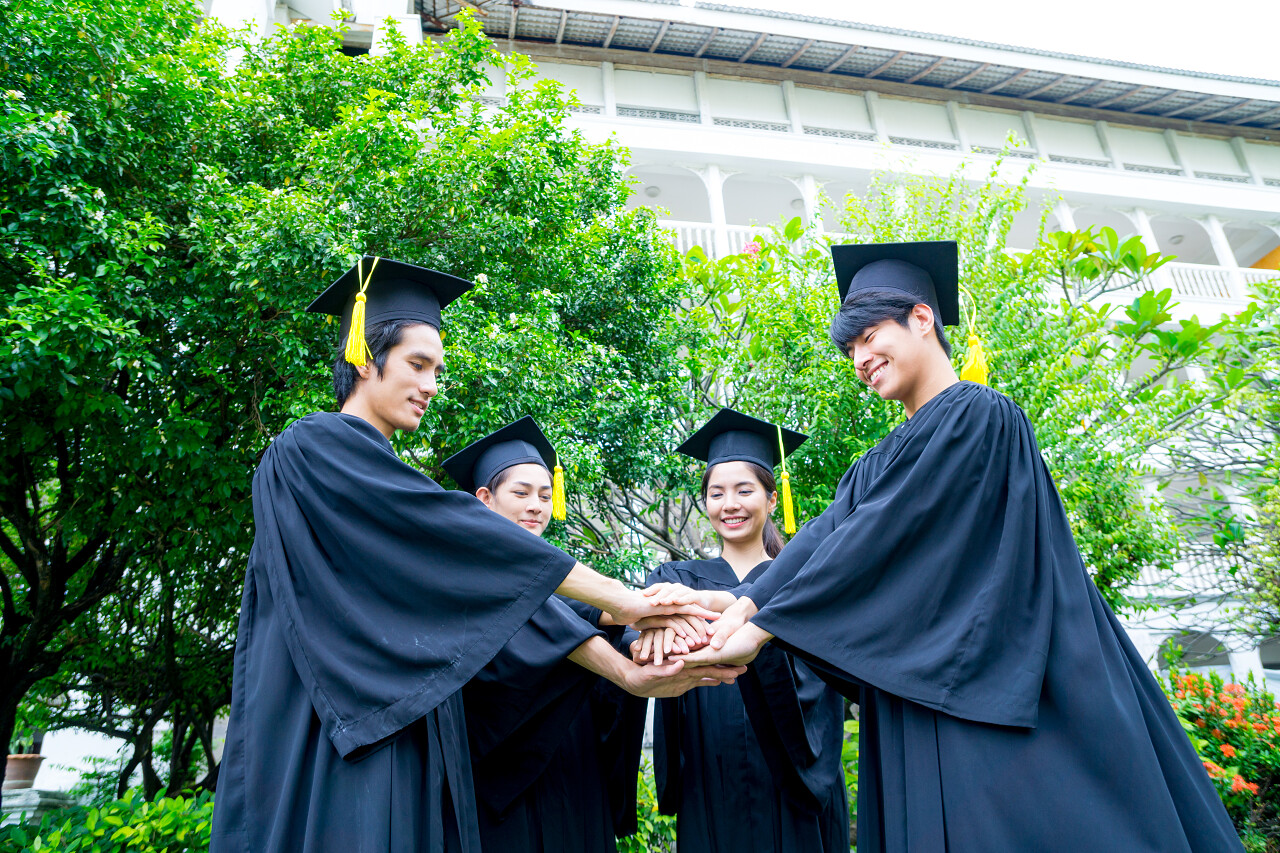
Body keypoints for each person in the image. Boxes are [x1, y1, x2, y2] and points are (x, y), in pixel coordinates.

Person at [673, 241, 1244, 852]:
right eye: (851, 348)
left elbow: (886, 532)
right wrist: (740, 605)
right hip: (923, 679)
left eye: (869, 336)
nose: (860, 358)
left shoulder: (982, 416)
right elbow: (824, 536)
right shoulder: (876, 462)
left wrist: (766, 627)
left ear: (922, 319)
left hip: (997, 674)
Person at [210, 257, 730, 853]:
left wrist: (628, 659)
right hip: (334, 723)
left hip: (397, 722)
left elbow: (484, 597)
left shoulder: (379, 477)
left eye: (436, 368)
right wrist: (625, 601)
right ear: (363, 356)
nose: (431, 384)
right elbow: (459, 537)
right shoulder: (313, 447)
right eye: (417, 364)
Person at [443, 417, 713, 852]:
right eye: (521, 493)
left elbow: (582, 615)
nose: (536, 505)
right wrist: (630, 618)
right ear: (484, 499)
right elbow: (547, 612)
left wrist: (650, 641)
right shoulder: (458, 572)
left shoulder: (570, 578)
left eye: (545, 495)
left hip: (573, 767)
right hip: (499, 776)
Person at [633, 409, 849, 853]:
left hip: (793, 769)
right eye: (716, 493)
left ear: (772, 500)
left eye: (744, 490)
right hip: (712, 768)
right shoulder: (682, 580)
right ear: (706, 503)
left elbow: (829, 668)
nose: (729, 504)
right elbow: (644, 645)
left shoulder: (806, 577)